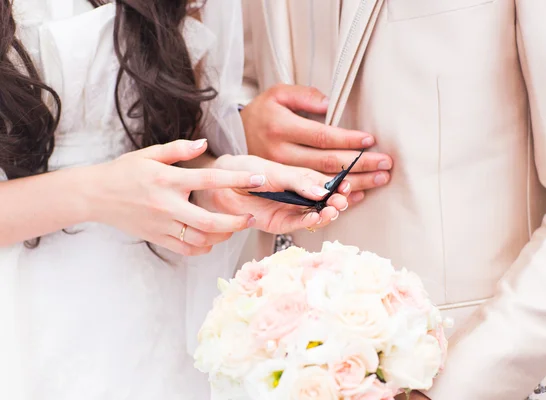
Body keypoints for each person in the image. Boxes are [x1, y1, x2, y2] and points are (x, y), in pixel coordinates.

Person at [240, 0, 546, 398]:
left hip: (483, 374)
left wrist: (454, 389)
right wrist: (241, 125)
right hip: (282, 362)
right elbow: (226, 76)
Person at [0, 0, 349, 399]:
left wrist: (219, 183)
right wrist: (96, 193)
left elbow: (173, 139)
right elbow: (121, 185)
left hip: (152, 300)